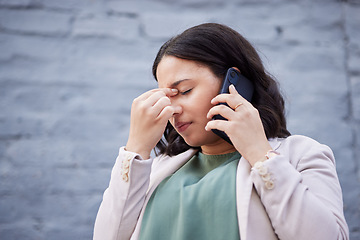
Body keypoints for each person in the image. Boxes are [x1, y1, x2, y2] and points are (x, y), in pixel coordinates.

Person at [93, 23, 349, 240]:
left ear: (232, 83)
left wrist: (260, 154)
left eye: (184, 91)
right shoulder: (157, 169)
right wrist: (136, 149)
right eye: (167, 97)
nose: (173, 109)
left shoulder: (302, 155)